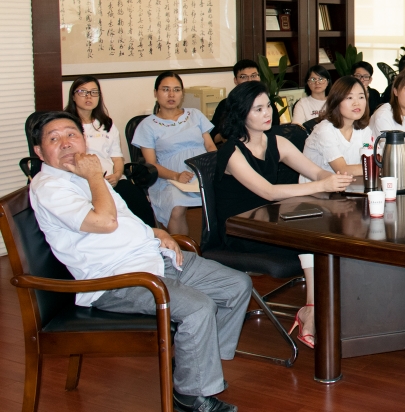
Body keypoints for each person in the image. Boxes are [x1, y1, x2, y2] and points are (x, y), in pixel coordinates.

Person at [30, 111, 251, 412]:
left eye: (72, 134)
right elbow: (105, 222)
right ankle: (190, 395)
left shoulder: (82, 172)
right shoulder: (50, 186)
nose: (66, 143)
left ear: (83, 139)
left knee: (237, 285)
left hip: (150, 257)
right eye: (54, 139)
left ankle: (194, 367)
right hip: (116, 279)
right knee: (199, 307)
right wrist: (95, 176)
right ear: (39, 151)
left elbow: (123, 217)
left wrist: (156, 231)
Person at [216, 81, 353, 349]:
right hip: (241, 231)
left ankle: (316, 309)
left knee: (325, 233)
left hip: (270, 222)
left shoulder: (276, 141)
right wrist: (320, 186)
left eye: (268, 106)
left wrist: (332, 178)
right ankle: (311, 313)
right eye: (258, 109)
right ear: (241, 114)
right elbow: (268, 192)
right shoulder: (231, 151)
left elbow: (316, 172)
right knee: (314, 239)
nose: (267, 113)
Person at [132, 72, 216, 236]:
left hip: (203, 172)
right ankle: (182, 249)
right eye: (166, 89)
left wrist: (213, 168)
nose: (171, 95)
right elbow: (151, 164)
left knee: (228, 196)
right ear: (156, 93)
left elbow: (210, 146)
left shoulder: (195, 115)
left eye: (176, 90)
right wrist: (176, 176)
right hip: (169, 178)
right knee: (176, 207)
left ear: (182, 94)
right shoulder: (147, 125)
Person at [64, 76, 155, 228]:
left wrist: (117, 175)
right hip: (83, 182)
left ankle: (151, 237)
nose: (88, 96)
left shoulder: (107, 124)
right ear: (73, 96)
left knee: (138, 202)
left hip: (111, 181)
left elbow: (117, 158)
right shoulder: (66, 125)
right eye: (82, 92)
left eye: (94, 92)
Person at [303, 76, 375, 176]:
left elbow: (372, 159)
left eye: (361, 97)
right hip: (319, 186)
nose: (356, 103)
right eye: (349, 98)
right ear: (336, 101)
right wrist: (382, 166)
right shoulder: (325, 130)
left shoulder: (363, 129)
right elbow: (342, 170)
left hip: (353, 183)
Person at [210, 59, 266, 144]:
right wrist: (226, 134)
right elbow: (213, 137)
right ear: (235, 80)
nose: (250, 80)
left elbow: (274, 132)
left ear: (259, 78)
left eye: (254, 75)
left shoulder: (267, 104)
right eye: (243, 77)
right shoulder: (225, 104)